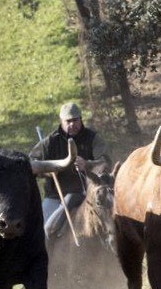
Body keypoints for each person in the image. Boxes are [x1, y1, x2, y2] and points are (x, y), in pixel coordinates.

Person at [30, 102, 111, 238]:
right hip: (55, 196)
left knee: (114, 225)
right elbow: (31, 162)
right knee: (41, 232)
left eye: (75, 120)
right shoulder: (50, 141)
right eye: (68, 121)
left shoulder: (92, 138)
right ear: (61, 122)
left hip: (88, 194)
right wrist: (47, 170)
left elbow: (106, 161)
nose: (72, 124)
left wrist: (88, 165)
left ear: (81, 119)